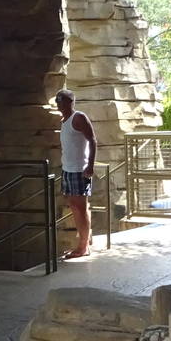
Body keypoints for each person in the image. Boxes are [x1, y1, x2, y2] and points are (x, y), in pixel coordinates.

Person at [55, 88, 97, 260]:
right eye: (57, 100)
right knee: (74, 206)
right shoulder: (64, 120)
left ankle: (83, 246)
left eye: (61, 100)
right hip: (68, 169)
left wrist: (90, 166)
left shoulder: (78, 117)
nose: (58, 104)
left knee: (81, 206)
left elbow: (93, 140)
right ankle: (82, 243)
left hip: (80, 169)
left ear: (70, 102)